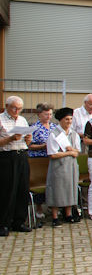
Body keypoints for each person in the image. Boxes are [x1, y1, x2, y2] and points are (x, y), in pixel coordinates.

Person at [0, 96, 34, 236]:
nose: (17, 111)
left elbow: (28, 141)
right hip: (7, 157)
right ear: (7, 106)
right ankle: (3, 223)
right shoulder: (1, 119)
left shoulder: (22, 119)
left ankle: (19, 221)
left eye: (19, 108)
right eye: (14, 108)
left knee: (22, 189)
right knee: (7, 190)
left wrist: (28, 139)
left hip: (22, 155)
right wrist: (10, 138)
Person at [45, 108, 81, 227]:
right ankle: (55, 217)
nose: (69, 121)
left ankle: (68, 214)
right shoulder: (54, 134)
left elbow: (77, 151)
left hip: (71, 165)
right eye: (67, 119)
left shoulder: (74, 134)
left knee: (70, 188)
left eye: (71, 119)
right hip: (58, 166)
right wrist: (69, 152)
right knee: (57, 189)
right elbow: (53, 154)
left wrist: (72, 151)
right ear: (61, 120)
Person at [28, 102, 57, 219]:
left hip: (52, 159)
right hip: (38, 159)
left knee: (52, 183)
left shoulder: (54, 127)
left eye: (50, 114)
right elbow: (29, 145)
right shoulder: (33, 128)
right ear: (39, 115)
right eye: (46, 114)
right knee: (40, 182)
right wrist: (43, 146)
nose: (48, 117)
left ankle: (52, 206)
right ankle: (39, 207)